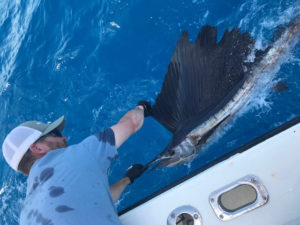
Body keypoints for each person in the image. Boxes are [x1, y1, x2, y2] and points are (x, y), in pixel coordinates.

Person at [2, 101, 152, 225]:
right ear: (37, 147)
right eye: (56, 134)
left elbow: (90, 202)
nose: (64, 138)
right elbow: (133, 122)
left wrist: (126, 179)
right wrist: (142, 107)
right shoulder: (78, 154)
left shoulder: (25, 216)